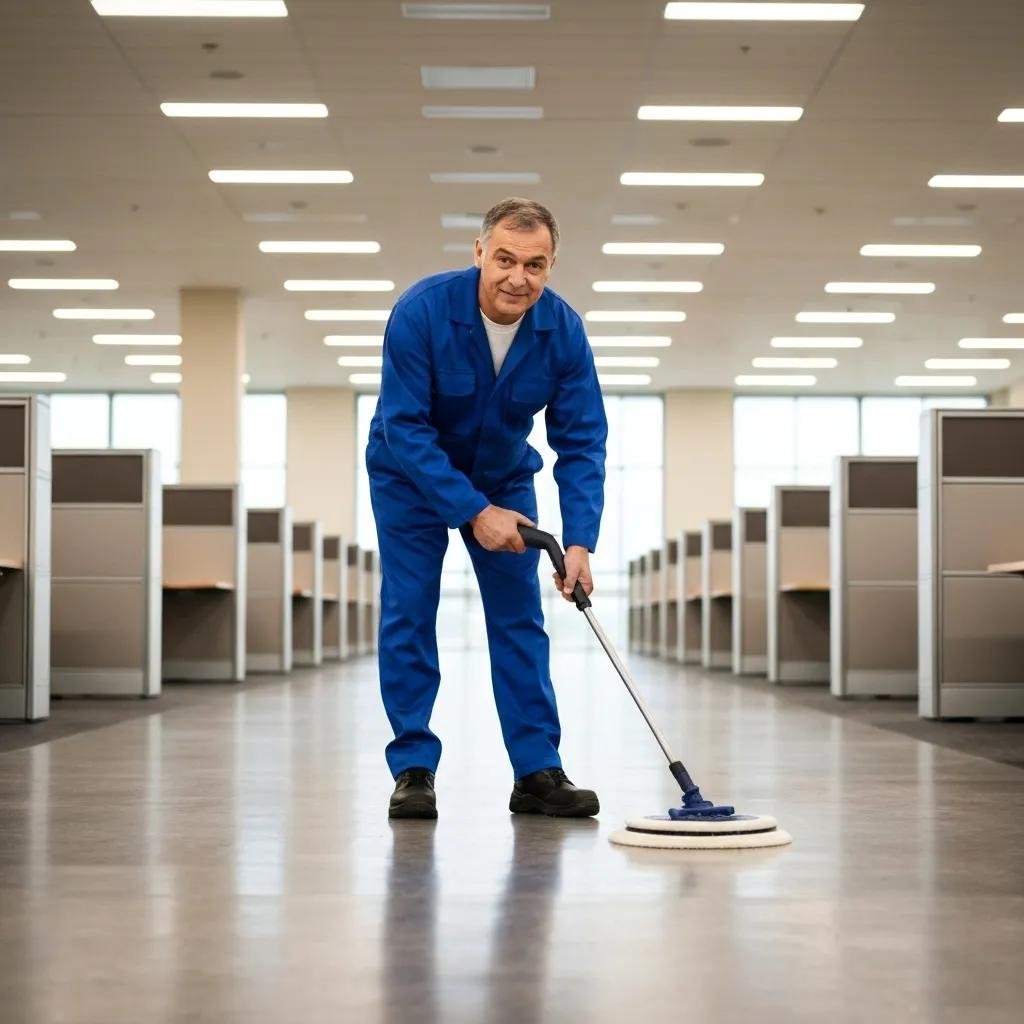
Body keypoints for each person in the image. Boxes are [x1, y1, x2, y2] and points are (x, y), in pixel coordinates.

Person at [366, 197, 608, 820]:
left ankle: (536, 772)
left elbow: (581, 442)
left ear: (551, 267)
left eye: (535, 265)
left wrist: (579, 541)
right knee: (410, 607)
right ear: (479, 253)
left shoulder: (563, 331)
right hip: (407, 473)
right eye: (504, 259)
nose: (517, 278)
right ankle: (413, 768)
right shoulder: (421, 311)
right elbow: (406, 426)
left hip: (502, 473)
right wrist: (474, 512)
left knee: (519, 616)